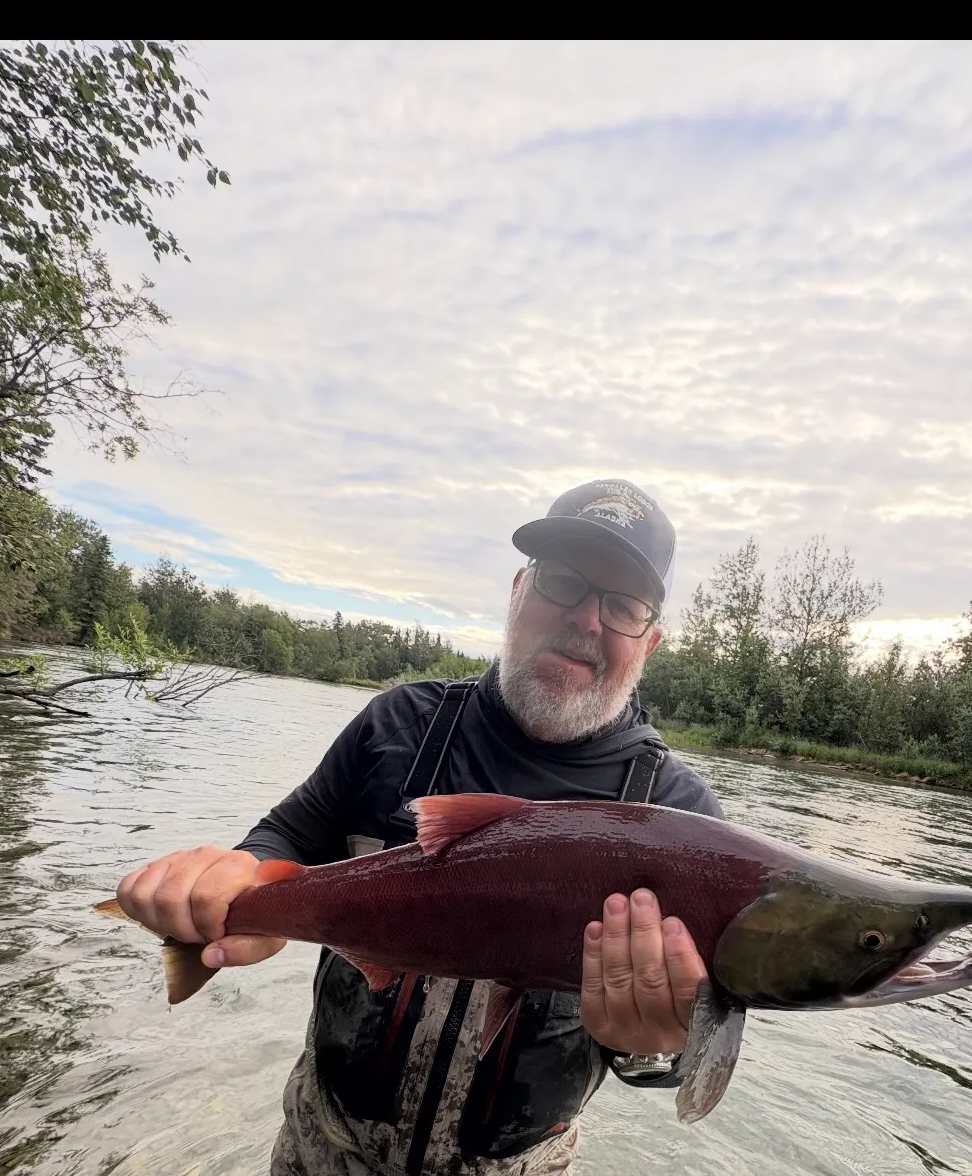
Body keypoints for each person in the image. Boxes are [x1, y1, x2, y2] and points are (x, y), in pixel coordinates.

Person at [116, 479, 723, 1176]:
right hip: (323, 1145)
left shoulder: (680, 815)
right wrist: (234, 879)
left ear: (650, 642)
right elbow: (285, 838)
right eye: (563, 581)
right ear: (518, 590)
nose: (587, 618)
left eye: (623, 606)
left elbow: (680, 1060)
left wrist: (649, 1046)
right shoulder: (399, 723)